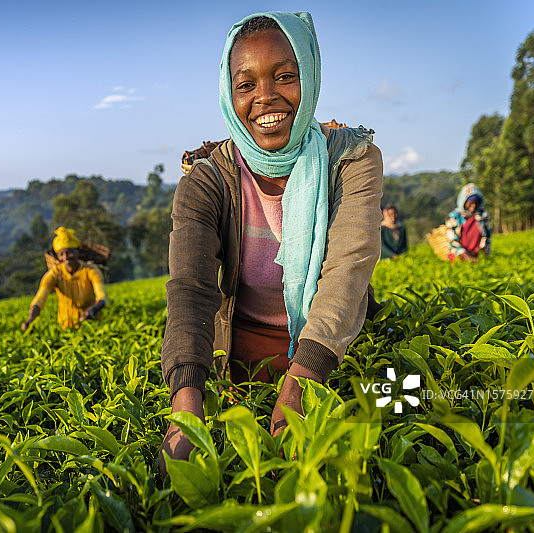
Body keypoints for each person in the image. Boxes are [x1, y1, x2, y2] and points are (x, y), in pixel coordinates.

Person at [159, 12, 383, 472]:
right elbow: (191, 289)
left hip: (330, 344)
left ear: (311, 75)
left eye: (285, 76)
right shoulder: (207, 181)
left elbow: (348, 270)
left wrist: (303, 380)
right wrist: (185, 415)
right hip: (241, 349)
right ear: (229, 92)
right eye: (247, 85)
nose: (266, 97)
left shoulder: (352, 159)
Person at [21, 227, 107, 331]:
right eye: (61, 254)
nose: (66, 257)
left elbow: (101, 296)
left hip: (92, 324)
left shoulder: (90, 270)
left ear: (77, 252)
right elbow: (40, 298)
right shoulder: (55, 274)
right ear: (58, 257)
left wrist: (92, 310)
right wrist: (31, 319)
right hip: (66, 326)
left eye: (69, 252)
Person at [446, 183, 492, 262]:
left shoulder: (482, 215)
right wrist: (466, 256)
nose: (474, 205)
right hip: (459, 255)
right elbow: (453, 240)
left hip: (477, 253)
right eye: (471, 202)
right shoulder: (454, 216)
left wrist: (484, 253)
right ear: (463, 201)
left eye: (476, 202)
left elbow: (487, 235)